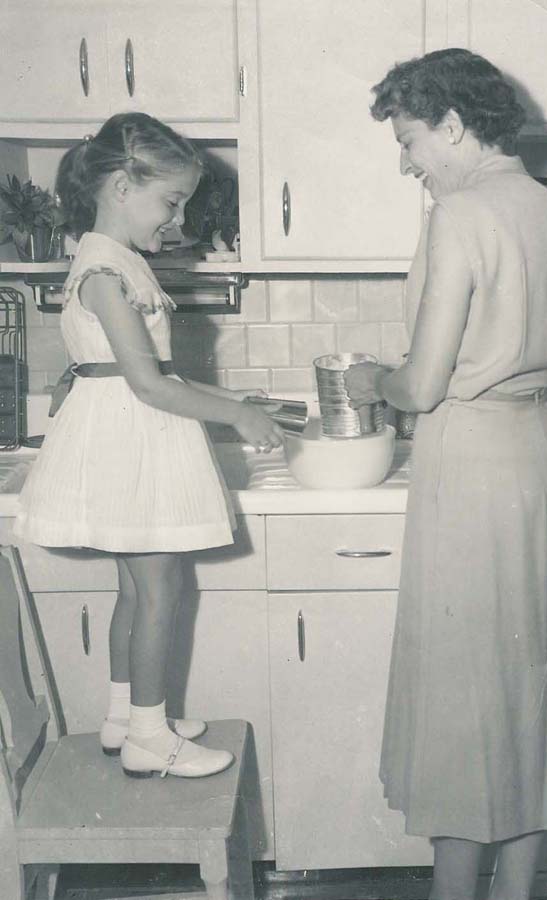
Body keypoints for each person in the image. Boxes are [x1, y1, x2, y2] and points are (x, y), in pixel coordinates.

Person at [344, 49, 547, 900]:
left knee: (461, 699)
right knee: (523, 690)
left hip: (472, 464)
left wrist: (368, 375)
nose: (406, 161)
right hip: (534, 458)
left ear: (452, 125)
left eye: (410, 140)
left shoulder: (462, 213)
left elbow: (420, 385)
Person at [14, 112, 284, 780]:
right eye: (170, 202)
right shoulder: (105, 271)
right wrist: (236, 417)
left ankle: (124, 716)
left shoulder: (116, 260)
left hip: (127, 433)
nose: (178, 221)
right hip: (132, 433)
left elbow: (146, 370)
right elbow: (147, 384)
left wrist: (234, 404)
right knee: (161, 586)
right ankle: (148, 735)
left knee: (136, 590)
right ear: (120, 187)